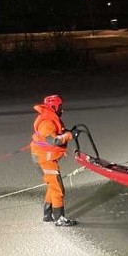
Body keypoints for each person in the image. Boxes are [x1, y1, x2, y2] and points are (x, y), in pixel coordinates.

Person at [30, 94, 77, 226]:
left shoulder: (51, 118)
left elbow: (57, 133)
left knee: (52, 186)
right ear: (53, 107)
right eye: (60, 107)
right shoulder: (46, 123)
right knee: (58, 189)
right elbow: (53, 140)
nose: (62, 110)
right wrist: (68, 136)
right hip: (44, 160)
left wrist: (69, 132)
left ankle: (47, 214)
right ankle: (59, 218)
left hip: (45, 158)